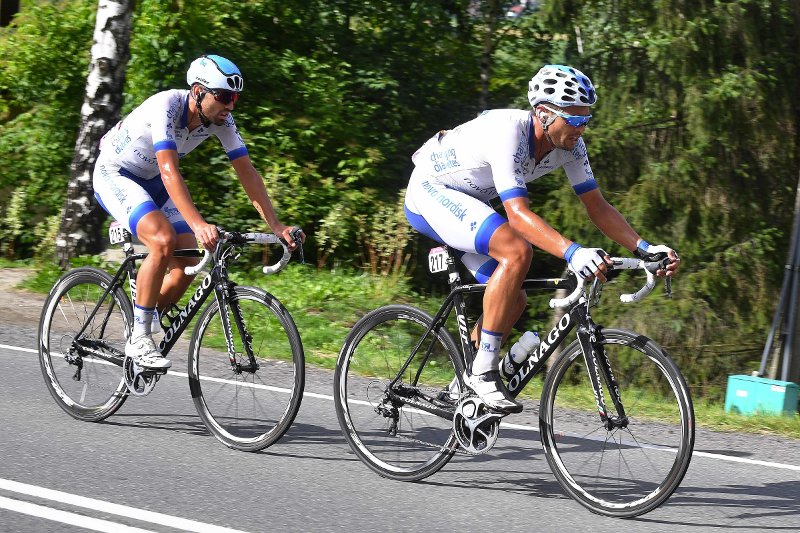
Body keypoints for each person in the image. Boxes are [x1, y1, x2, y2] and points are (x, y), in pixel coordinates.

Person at [403, 64, 680, 414]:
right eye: (574, 119)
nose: (582, 128)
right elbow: (517, 215)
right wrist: (573, 252)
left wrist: (645, 248)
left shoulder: (571, 146)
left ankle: (462, 385)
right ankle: (484, 373)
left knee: (513, 299)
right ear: (544, 113)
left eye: (586, 119)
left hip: (469, 201)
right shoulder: (508, 133)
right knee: (517, 251)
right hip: (431, 191)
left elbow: (597, 206)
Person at [93, 54, 302, 371]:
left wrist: (276, 225)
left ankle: (141, 320)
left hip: (154, 182)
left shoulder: (221, 121)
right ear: (198, 92)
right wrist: (199, 223)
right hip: (117, 173)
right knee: (163, 241)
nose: (230, 106)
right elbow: (169, 170)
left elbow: (246, 171)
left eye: (235, 98)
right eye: (224, 97)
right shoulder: (166, 106)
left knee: (188, 264)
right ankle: (139, 339)